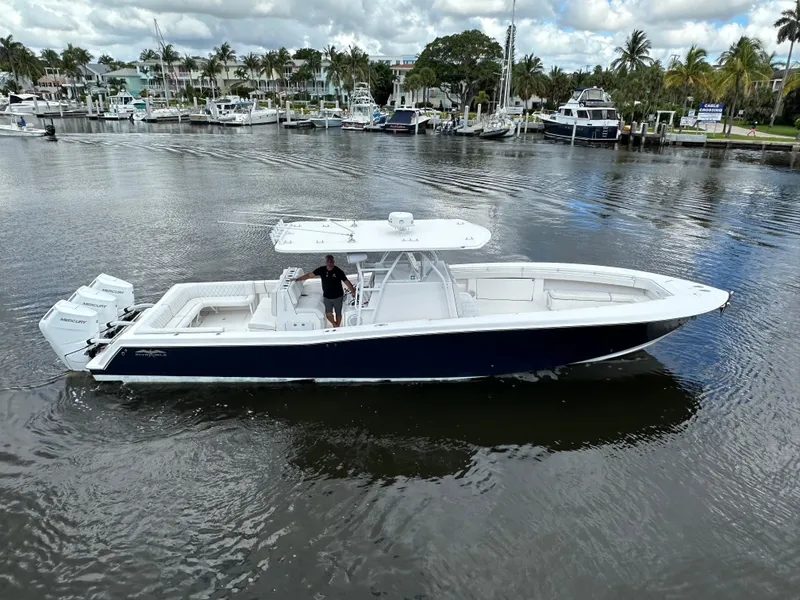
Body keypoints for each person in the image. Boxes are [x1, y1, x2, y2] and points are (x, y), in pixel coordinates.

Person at [290, 255, 355, 328]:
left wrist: (353, 291)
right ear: (326, 262)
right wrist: (298, 279)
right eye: (328, 261)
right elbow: (309, 275)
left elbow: (346, 282)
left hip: (338, 297)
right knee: (328, 314)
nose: (330, 263)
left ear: (334, 262)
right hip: (327, 297)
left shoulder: (339, 271)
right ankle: (335, 325)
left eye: (331, 262)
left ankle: (337, 326)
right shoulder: (321, 270)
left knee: (338, 313)